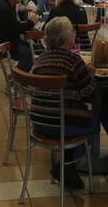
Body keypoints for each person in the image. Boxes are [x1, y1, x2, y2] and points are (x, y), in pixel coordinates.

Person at [30, 17, 96, 189]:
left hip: (39, 122)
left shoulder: (39, 61)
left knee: (69, 113)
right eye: (72, 32)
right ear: (66, 37)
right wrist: (90, 74)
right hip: (65, 125)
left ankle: (66, 167)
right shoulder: (73, 61)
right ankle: (67, 165)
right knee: (94, 120)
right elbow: (88, 92)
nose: (74, 34)